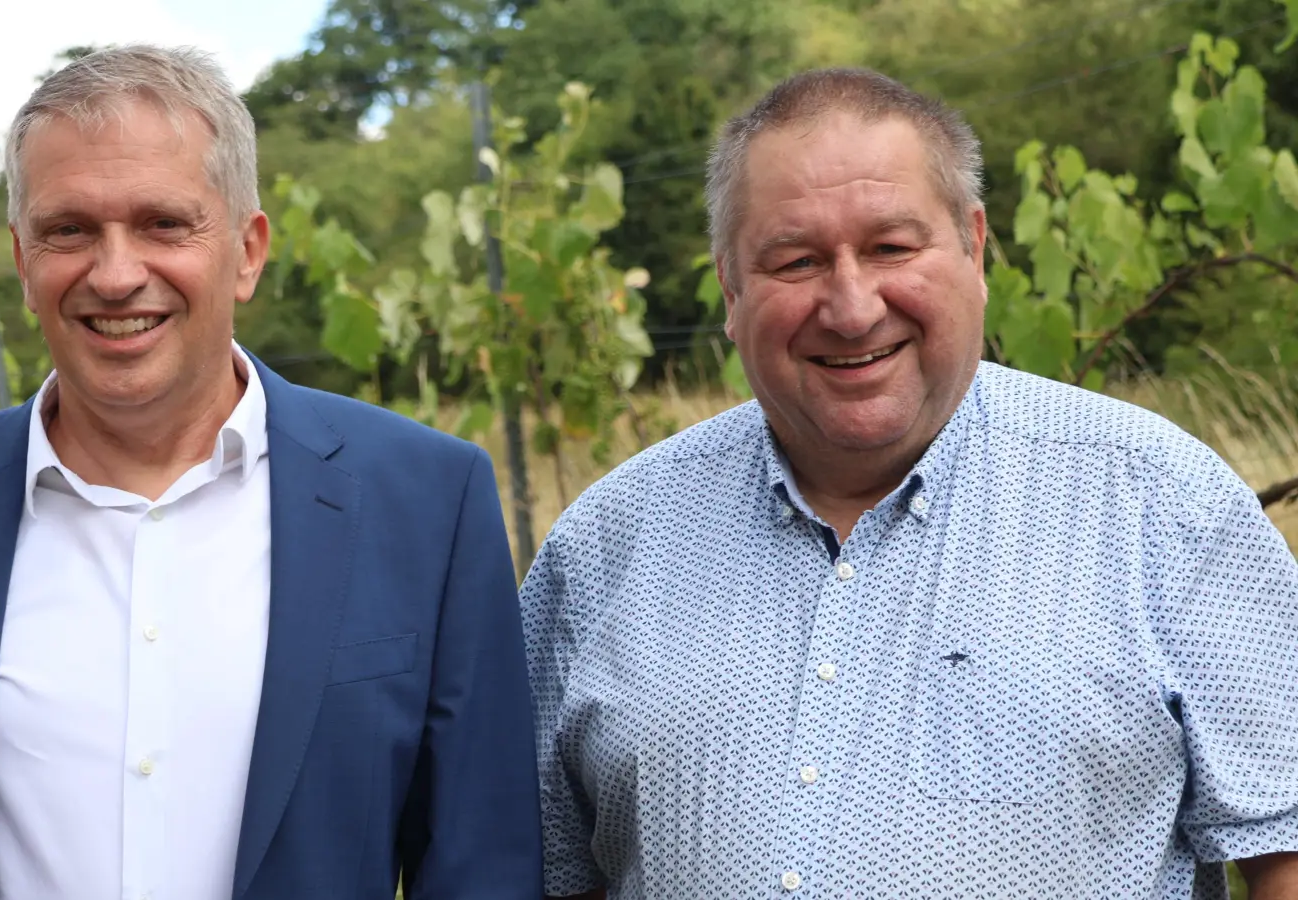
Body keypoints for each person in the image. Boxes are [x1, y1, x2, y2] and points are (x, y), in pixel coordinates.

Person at [0, 44, 541, 900]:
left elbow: (479, 864)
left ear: (247, 251)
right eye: (70, 230)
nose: (117, 274)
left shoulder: (427, 502)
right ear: (22, 260)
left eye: (164, 223)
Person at [520, 67, 1298, 899]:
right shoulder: (605, 547)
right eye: (796, 260)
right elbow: (549, 874)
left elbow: (1284, 846)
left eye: (892, 247)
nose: (852, 308)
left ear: (974, 245)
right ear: (730, 288)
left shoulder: (1161, 500)